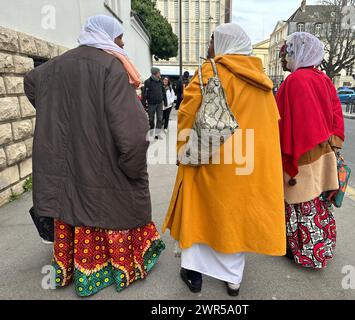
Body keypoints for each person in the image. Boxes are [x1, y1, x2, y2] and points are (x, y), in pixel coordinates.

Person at [23, 15, 165, 297]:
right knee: (103, 204)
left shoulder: (54, 66)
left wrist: (53, 111)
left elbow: (31, 83)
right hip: (102, 163)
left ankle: (72, 265)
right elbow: (134, 132)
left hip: (66, 159)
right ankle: (113, 265)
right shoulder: (111, 68)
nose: (123, 42)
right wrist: (132, 166)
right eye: (120, 36)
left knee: (73, 204)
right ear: (107, 36)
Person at [163, 23, 286, 296]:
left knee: (199, 215)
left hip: (209, 157)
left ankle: (194, 275)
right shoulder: (262, 80)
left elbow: (187, 113)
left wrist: (183, 151)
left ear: (224, 44)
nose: (209, 47)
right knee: (235, 219)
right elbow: (271, 123)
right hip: (247, 163)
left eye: (212, 41)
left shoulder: (210, 71)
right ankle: (233, 279)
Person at [275, 32, 345, 269]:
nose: (286, 58)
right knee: (317, 201)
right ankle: (322, 246)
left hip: (300, 151)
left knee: (299, 203)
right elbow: (336, 113)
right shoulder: (323, 78)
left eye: (288, 53)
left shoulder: (294, 81)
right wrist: (334, 144)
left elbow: (281, 120)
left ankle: (302, 251)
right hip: (322, 150)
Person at [143, 67, 168, 140]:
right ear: (155, 73)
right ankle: (151, 130)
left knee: (160, 119)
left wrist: (165, 101)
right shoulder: (148, 82)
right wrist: (143, 103)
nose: (160, 74)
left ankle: (157, 134)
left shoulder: (160, 82)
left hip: (160, 103)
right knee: (151, 119)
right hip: (151, 104)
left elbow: (163, 92)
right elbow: (144, 93)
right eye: (159, 72)